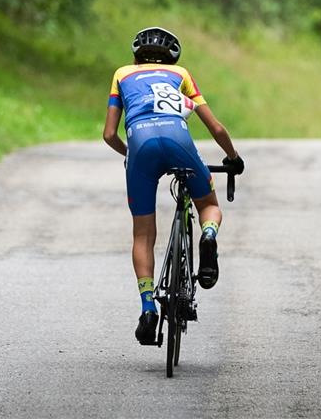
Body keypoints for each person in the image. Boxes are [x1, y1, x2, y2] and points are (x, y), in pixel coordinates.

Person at [101, 26, 244, 345]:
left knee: (142, 234)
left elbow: (109, 134)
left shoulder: (122, 74)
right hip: (179, 141)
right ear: (173, 56)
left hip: (140, 146)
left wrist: (132, 155)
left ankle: (148, 308)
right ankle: (207, 237)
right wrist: (233, 157)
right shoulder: (181, 74)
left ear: (136, 55)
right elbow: (216, 127)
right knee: (209, 206)